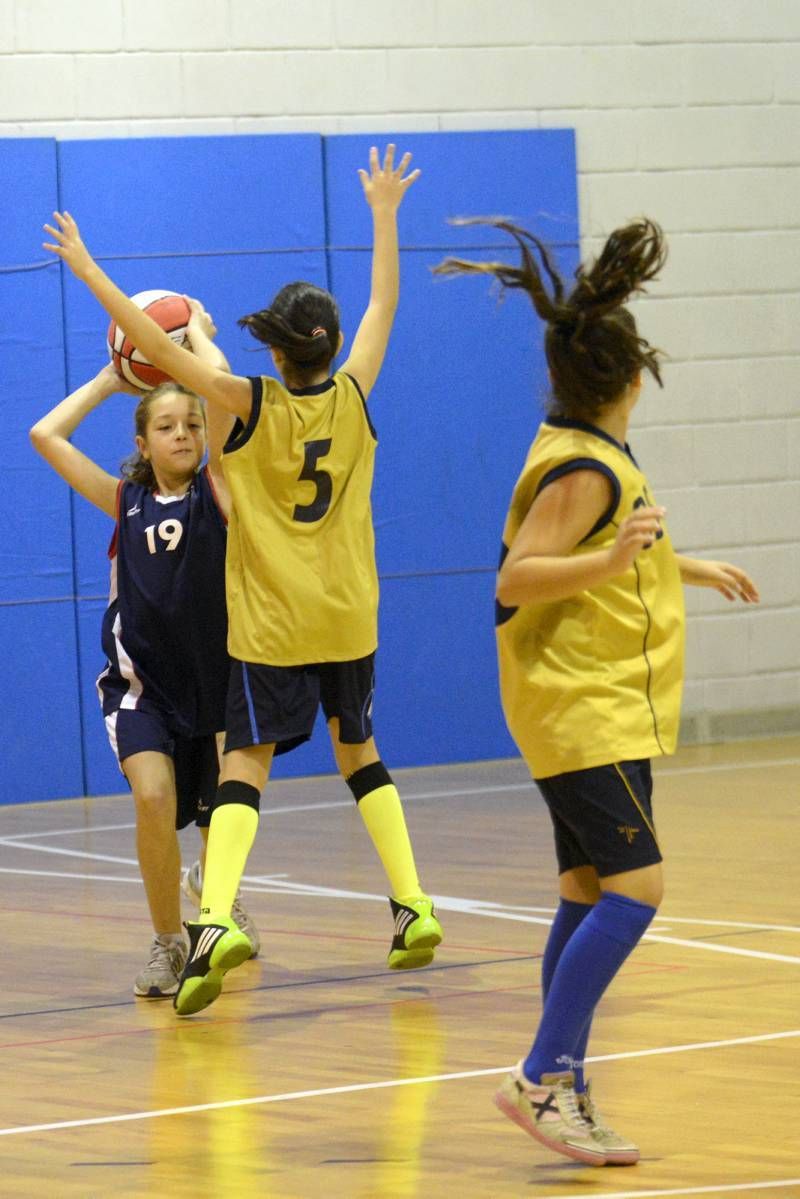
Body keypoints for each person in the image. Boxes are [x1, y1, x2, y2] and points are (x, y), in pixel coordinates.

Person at [44, 144, 443, 1017]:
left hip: (274, 624)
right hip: (353, 616)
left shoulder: (242, 409)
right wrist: (384, 215)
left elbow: (152, 345)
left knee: (246, 765)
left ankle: (216, 917)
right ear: (329, 348)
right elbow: (383, 303)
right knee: (359, 751)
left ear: (273, 347)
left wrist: (89, 271)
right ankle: (412, 902)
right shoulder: (356, 395)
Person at [435, 218, 759, 1166]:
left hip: (588, 701)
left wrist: (680, 566)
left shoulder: (584, 447)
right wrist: (618, 553)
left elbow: (594, 556)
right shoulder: (582, 466)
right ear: (632, 378)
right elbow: (518, 576)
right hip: (580, 704)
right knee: (638, 888)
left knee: (584, 890)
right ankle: (540, 1076)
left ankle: (566, 1083)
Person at [29, 312, 260, 998]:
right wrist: (111, 376)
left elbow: (224, 396)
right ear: (143, 440)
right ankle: (168, 941)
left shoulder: (221, 492)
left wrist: (200, 340)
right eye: (166, 426)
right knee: (155, 799)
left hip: (216, 682)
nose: (184, 434)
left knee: (227, 814)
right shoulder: (123, 500)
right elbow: (46, 434)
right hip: (142, 690)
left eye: (191, 424)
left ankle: (213, 895)